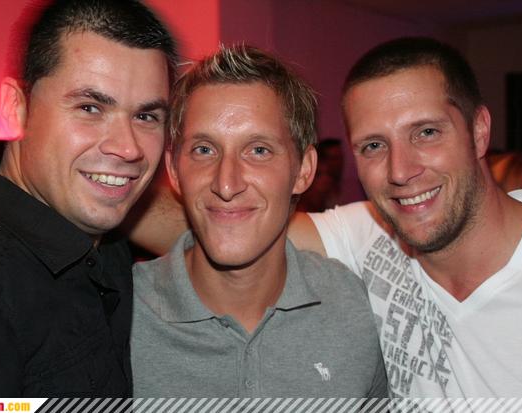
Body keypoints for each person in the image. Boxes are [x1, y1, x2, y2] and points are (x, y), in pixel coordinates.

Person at [129, 37, 522, 398]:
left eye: (426, 132)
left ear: (478, 131)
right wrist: (101, 189)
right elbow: (236, 222)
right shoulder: (369, 240)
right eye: (374, 145)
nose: (401, 170)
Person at [130, 44, 387, 397]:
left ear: (304, 170)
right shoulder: (119, 315)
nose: (226, 183)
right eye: (204, 150)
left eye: (258, 151)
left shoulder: (356, 310)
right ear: (174, 170)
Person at [0, 0, 176, 396]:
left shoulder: (104, 238)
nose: (128, 148)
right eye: (90, 107)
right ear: (17, 108)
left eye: (146, 116)